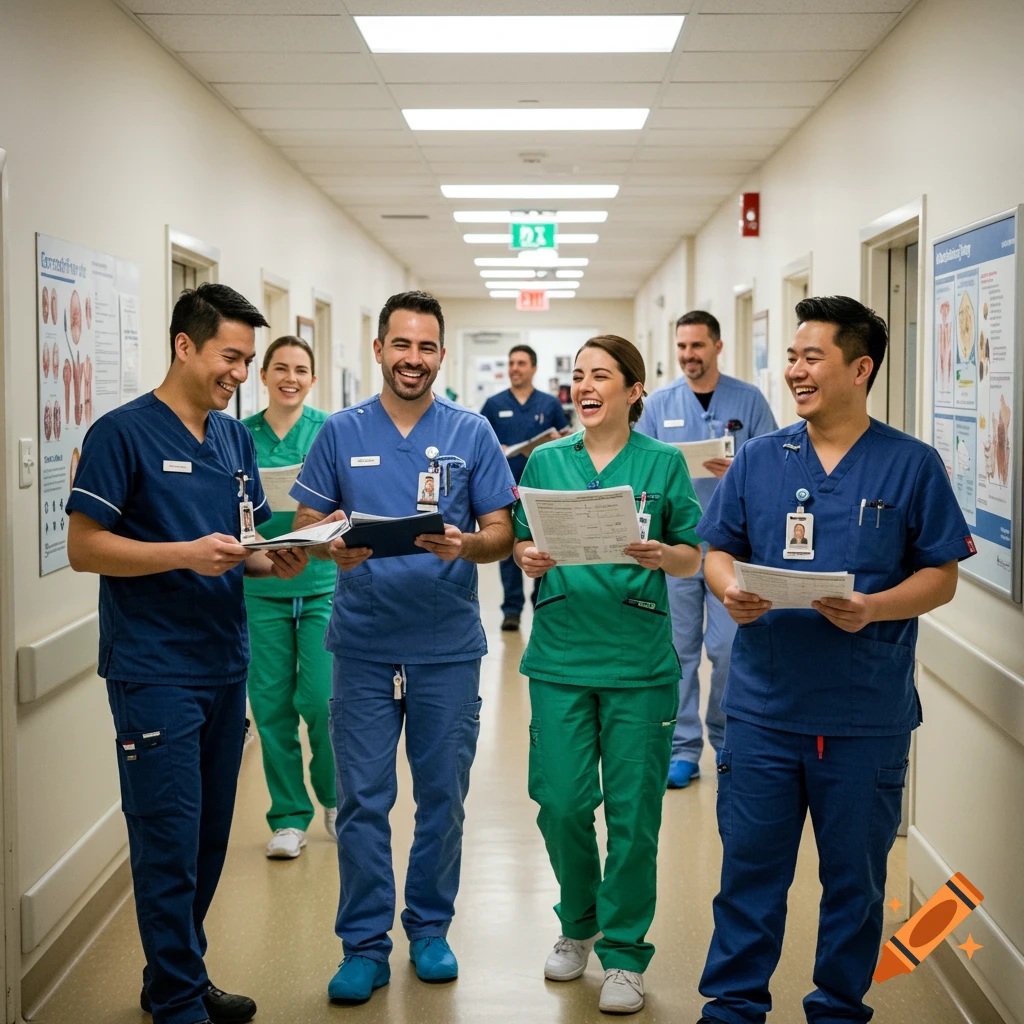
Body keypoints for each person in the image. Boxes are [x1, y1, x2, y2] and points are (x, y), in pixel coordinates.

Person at [693, 296, 974, 1024]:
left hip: (862, 714)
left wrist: (875, 607)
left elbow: (941, 574)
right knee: (750, 874)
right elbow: (717, 547)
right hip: (764, 708)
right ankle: (732, 1006)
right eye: (791, 357)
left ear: (861, 367)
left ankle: (838, 1010)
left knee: (856, 881)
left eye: (811, 357)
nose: (794, 371)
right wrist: (729, 589)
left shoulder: (911, 465)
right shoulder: (759, 459)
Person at [66, 284, 310, 1024]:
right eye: (230, 358)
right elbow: (85, 548)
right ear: (185, 345)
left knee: (206, 841)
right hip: (154, 668)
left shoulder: (232, 439)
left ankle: (178, 974)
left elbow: (248, 544)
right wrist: (183, 554)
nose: (241, 374)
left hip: (222, 662)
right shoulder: (122, 434)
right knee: (166, 839)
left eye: (247, 360)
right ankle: (176, 1000)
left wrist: (282, 556)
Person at [289, 291, 517, 1005]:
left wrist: (468, 544)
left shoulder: (470, 431)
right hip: (360, 644)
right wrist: (333, 552)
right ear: (380, 350)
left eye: (426, 347)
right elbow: (305, 522)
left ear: (440, 355)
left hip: (445, 645)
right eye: (401, 345)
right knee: (362, 799)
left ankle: (428, 928)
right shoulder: (339, 432)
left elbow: (501, 532)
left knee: (442, 796)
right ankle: (363, 945)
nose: (412, 359)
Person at [514, 335, 703, 1016]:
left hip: (638, 663)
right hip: (560, 657)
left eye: (602, 376)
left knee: (633, 817)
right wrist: (528, 556)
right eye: (578, 376)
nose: (586, 386)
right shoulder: (547, 460)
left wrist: (663, 557)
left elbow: (693, 555)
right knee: (561, 803)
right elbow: (518, 537)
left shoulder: (661, 464)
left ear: (633, 391)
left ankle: (623, 953)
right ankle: (578, 921)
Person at [635, 311, 777, 789]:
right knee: (679, 652)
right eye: (682, 347)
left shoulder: (750, 400)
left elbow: (777, 467)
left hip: (732, 549)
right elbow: (643, 470)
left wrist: (737, 471)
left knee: (728, 647)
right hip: (676, 544)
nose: (688, 355)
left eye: (697, 346)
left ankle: (726, 739)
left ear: (717, 346)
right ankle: (682, 748)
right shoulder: (659, 404)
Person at [242, 335, 337, 860]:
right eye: (280, 368)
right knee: (272, 705)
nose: (291, 378)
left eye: (301, 369)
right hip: (261, 587)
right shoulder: (239, 435)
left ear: (312, 378)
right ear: (265, 375)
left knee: (323, 702)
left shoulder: (328, 431)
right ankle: (287, 816)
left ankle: (334, 798)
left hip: (321, 585)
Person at [480, 344, 570, 631]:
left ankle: (539, 603)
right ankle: (512, 609)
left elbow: (566, 441)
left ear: (533, 368)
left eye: (520, 363)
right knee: (508, 550)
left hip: (542, 490)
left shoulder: (549, 404)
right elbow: (480, 445)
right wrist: (499, 449)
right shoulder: (494, 405)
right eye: (511, 363)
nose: (514, 368)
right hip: (505, 490)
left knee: (542, 549)